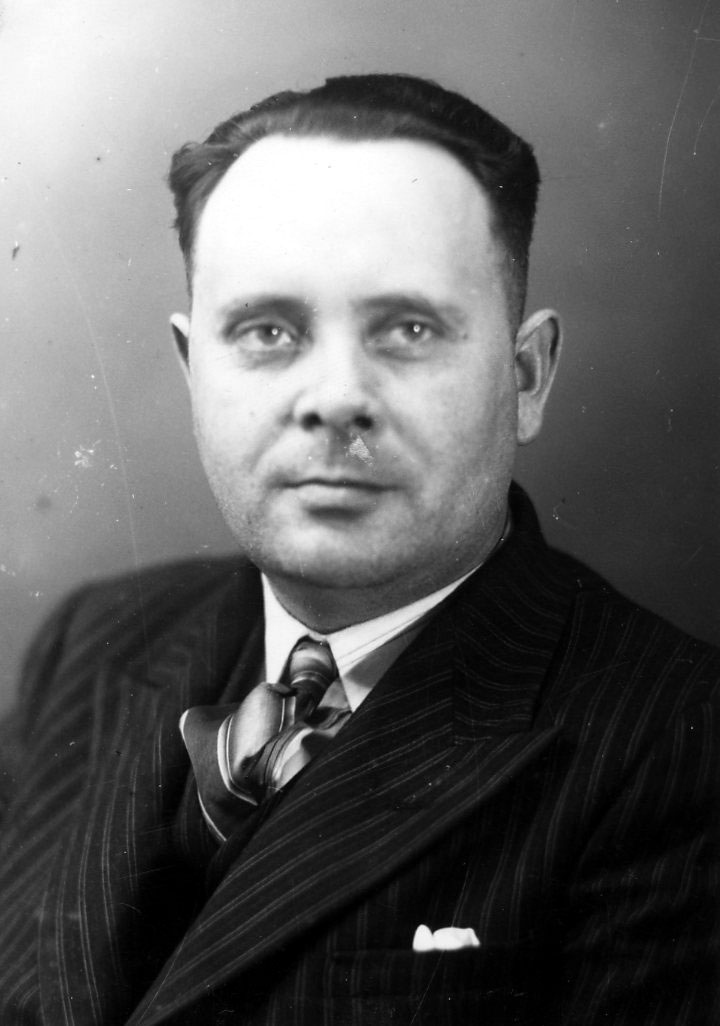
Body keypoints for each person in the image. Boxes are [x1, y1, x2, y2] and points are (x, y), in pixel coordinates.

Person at [0, 73, 717, 1025]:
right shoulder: (88, 645)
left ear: (526, 376)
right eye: (267, 331)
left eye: (408, 329)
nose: (336, 397)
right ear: (193, 368)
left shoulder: (679, 744)